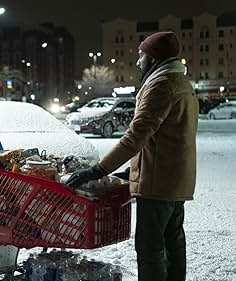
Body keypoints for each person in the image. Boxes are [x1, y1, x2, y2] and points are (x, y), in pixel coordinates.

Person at [65, 31, 198, 281]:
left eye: (141, 55)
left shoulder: (161, 86)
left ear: (154, 58)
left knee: (150, 249)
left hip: (158, 185)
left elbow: (135, 136)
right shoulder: (181, 84)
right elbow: (169, 138)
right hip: (175, 178)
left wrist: (98, 170)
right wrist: (132, 170)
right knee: (173, 244)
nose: (138, 61)